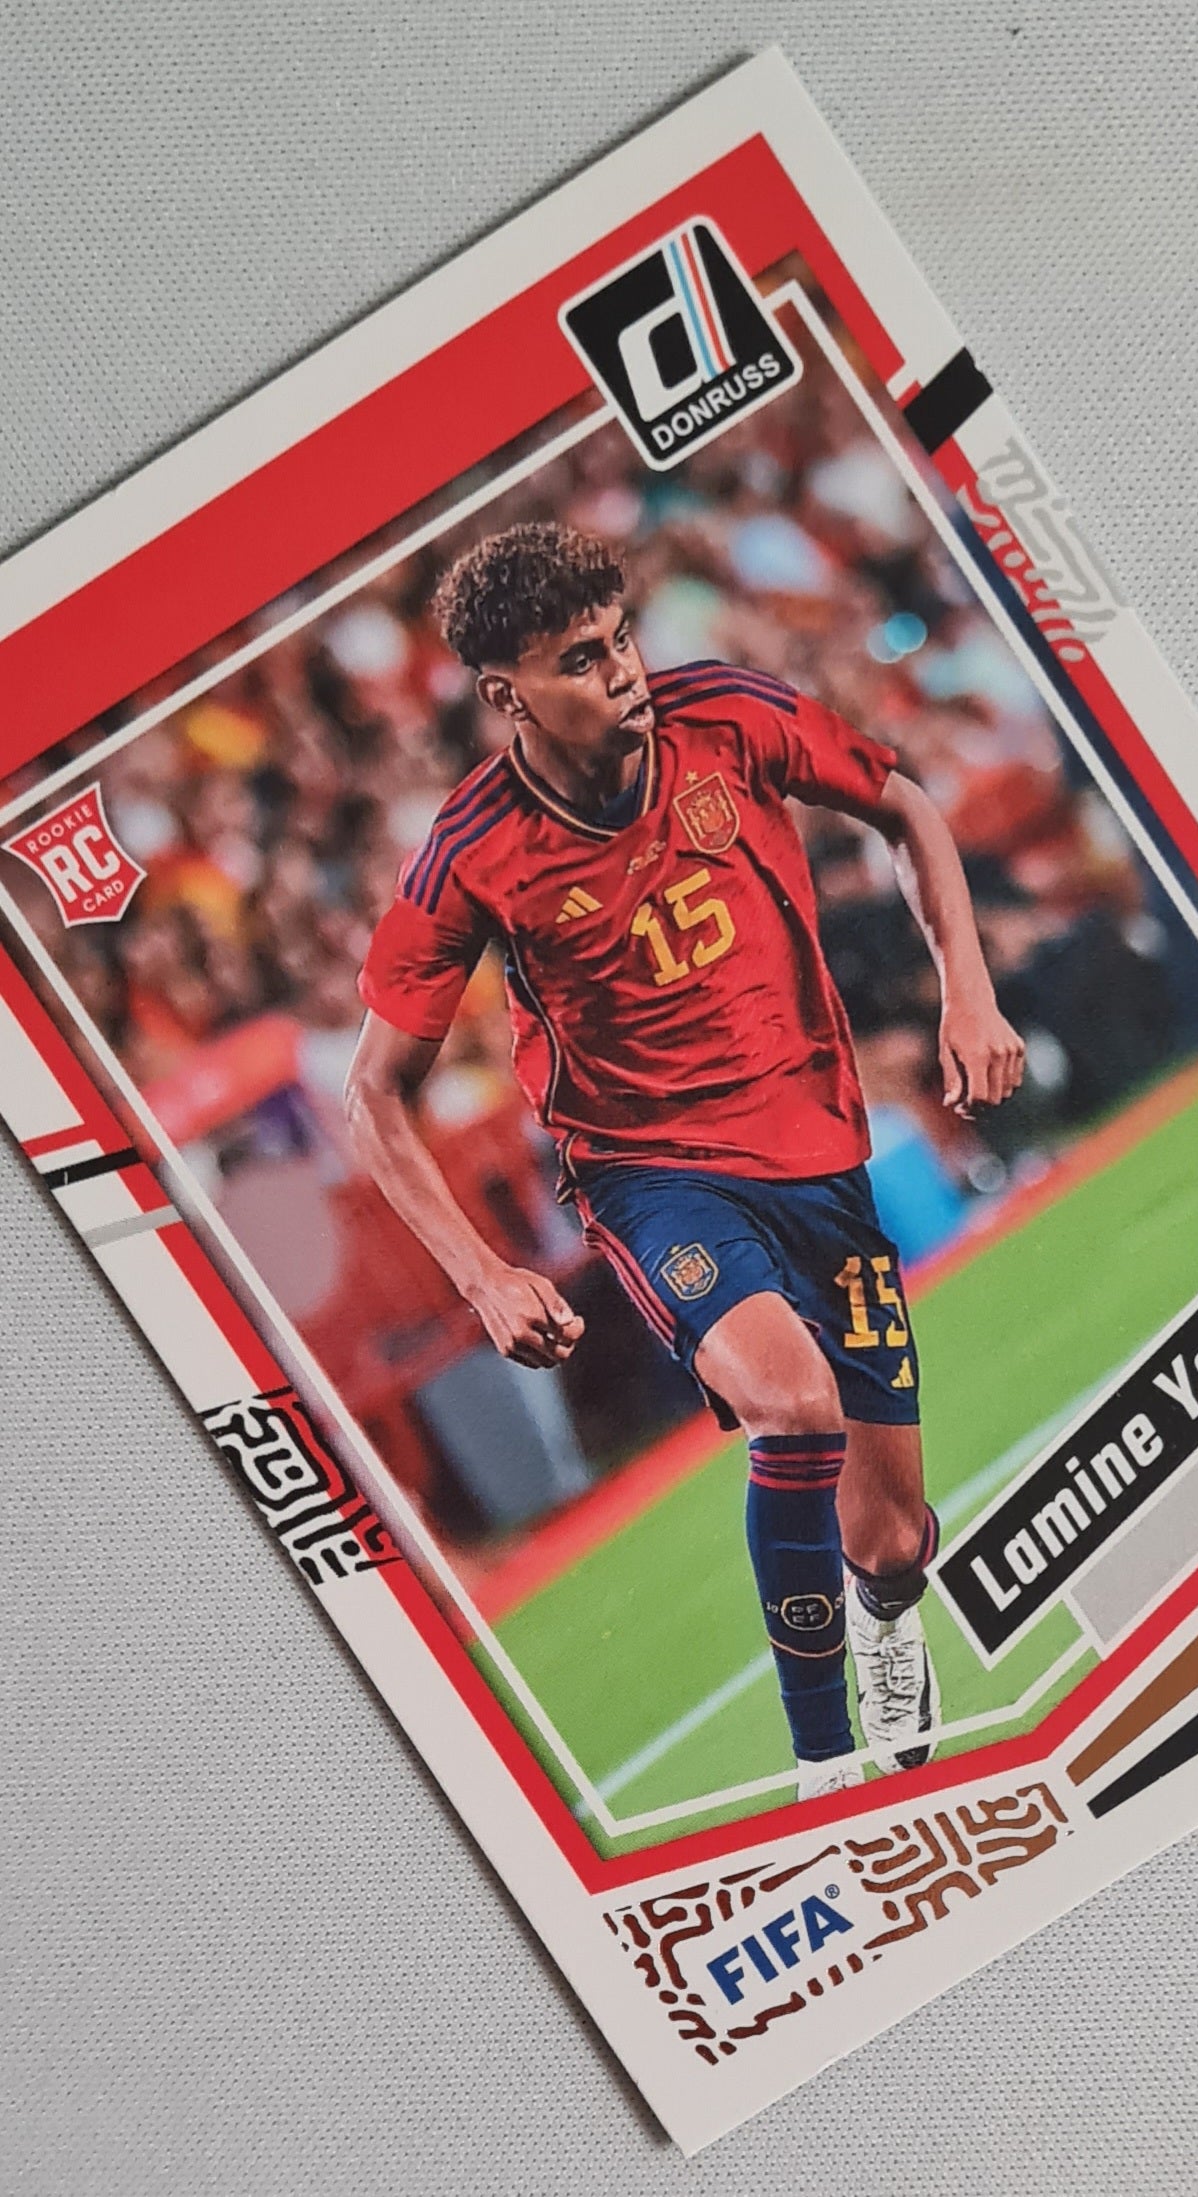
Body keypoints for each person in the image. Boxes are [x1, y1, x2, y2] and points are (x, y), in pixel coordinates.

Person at [346, 522, 1024, 1801]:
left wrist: (968, 991)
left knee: (888, 1538)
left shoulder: (730, 715)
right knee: (793, 1403)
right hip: (652, 1175)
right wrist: (483, 1273)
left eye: (619, 639)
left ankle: (887, 1614)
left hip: (817, 1148)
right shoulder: (470, 854)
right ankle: (824, 1767)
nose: (621, 671)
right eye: (578, 658)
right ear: (504, 694)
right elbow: (375, 1091)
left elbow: (906, 805)